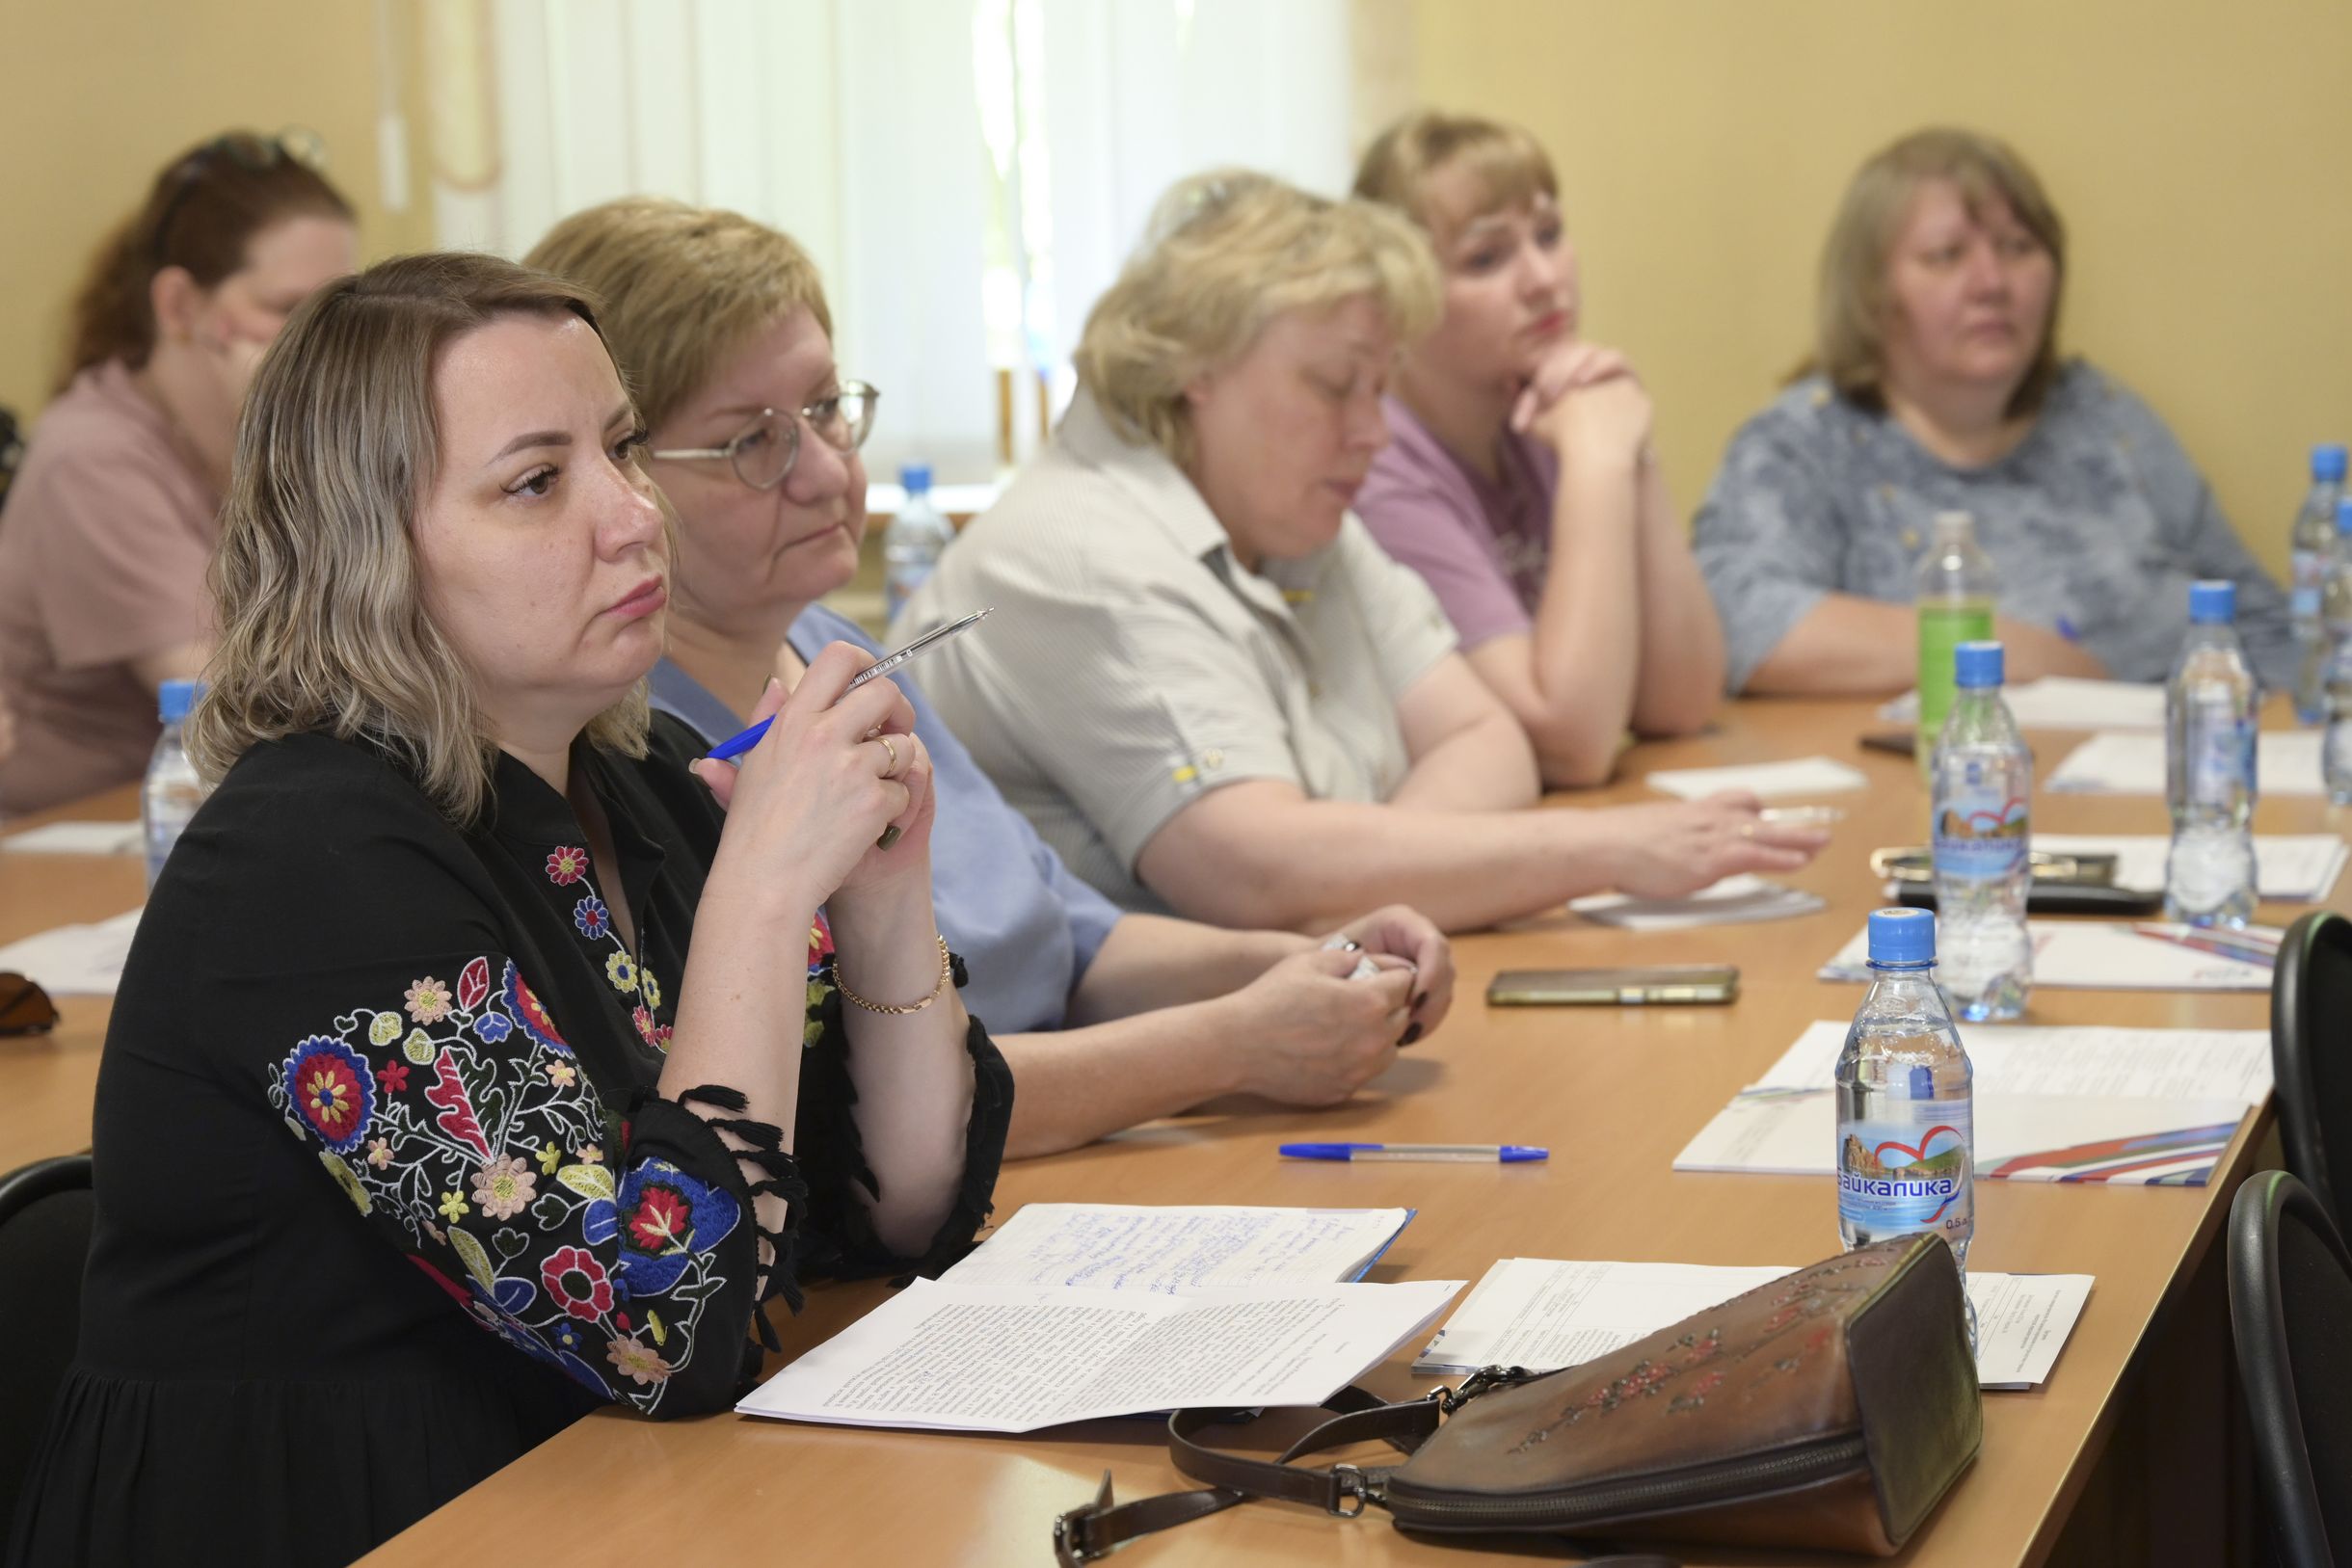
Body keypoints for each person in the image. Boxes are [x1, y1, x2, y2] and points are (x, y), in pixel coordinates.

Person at [6, 253, 1009, 1568]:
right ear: (367, 554)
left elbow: (886, 1208)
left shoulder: (640, 781)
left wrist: (878, 890)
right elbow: (659, 1325)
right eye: (537, 482)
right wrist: (765, 890)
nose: (633, 515)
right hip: (347, 1521)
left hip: (583, 1493)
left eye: (624, 449)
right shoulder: (303, 858)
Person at [523, 198, 1454, 1158]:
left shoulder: (832, 647)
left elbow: (1073, 938)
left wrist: (1322, 960)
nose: (826, 472)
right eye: (751, 442)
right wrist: (1234, 1043)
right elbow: (866, 1109)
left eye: (826, 409)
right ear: (625, 471)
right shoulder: (634, 755)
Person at [897, 172, 1827, 937]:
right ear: (1194, 368)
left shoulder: (1294, 519)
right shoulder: (1080, 554)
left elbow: (1488, 740)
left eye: (1380, 389)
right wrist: (1612, 849)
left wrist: (1357, 871)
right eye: (1337, 385)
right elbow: (1257, 871)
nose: (1373, 433)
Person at [1691, 126, 2295, 695]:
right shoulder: (1806, 443)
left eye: (2017, 248)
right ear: (1871, 293)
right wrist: (2007, 652)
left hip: (2189, 759)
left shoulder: (2105, 416)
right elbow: (1732, 619)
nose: (1992, 283)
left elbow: (2264, 628)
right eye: (1946, 255)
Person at [1350, 111, 1723, 786]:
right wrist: (1600, 463)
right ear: (1399, 299)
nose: (1544, 280)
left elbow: (1683, 701)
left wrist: (1631, 452)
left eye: (1549, 235)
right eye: (1486, 259)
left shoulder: (1547, 409)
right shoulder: (1378, 468)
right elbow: (1569, 743)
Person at [0, 131, 360, 814]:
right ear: (178, 307)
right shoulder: (91, 458)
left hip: (221, 809)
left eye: (339, 311)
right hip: (77, 830)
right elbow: (244, 703)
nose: (323, 346)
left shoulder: (246, 438)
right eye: (289, 310)